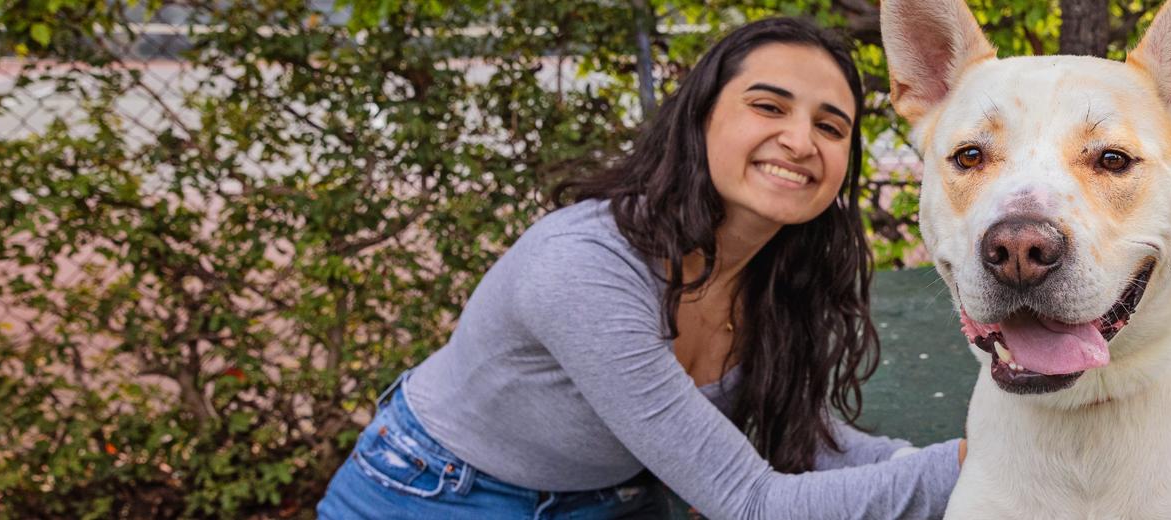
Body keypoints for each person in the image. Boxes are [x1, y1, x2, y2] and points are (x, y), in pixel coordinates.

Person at [316, 17, 964, 519]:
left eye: (831, 126)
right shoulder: (583, 268)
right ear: (701, 117)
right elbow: (749, 502)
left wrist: (966, 467)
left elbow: (807, 442)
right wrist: (986, 470)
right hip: (436, 494)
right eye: (768, 107)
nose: (800, 141)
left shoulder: (777, 273)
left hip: (614, 496)